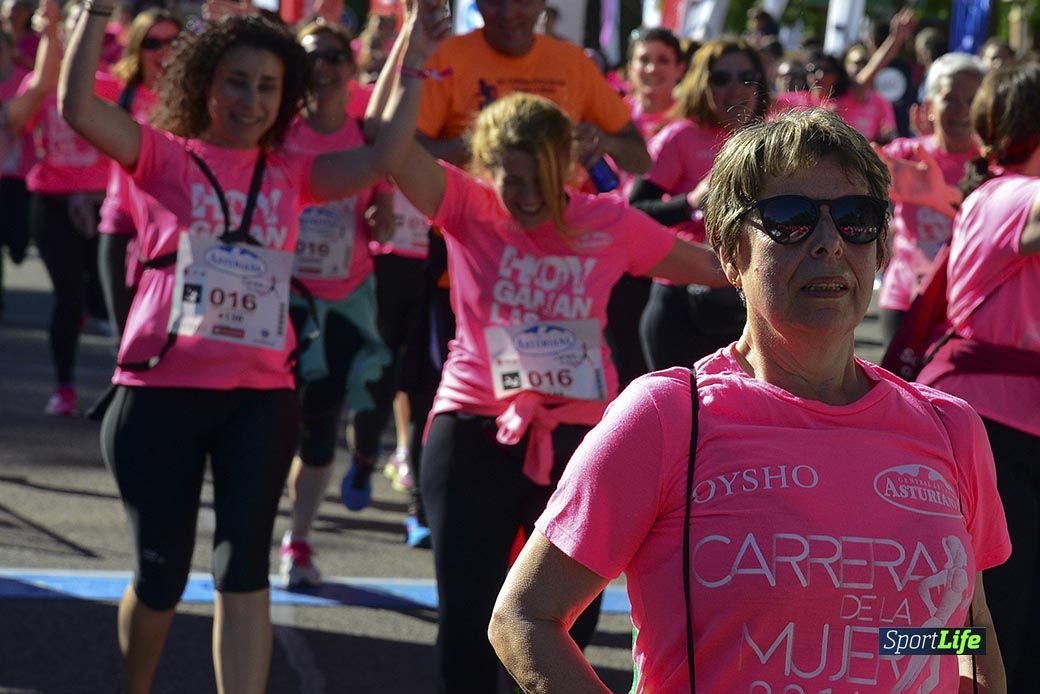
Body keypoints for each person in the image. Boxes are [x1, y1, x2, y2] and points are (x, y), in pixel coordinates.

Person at [489, 108, 1010, 693]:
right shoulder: (667, 417)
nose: (829, 244)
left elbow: (964, 633)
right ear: (731, 252)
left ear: (881, 246)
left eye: (855, 218)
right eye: (790, 220)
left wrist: (885, 643)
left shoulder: (949, 426)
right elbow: (524, 618)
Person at [59, 2, 448, 692]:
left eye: (268, 87)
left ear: (286, 95)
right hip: (159, 394)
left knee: (243, 572)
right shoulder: (165, 155)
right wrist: (95, 10)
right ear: (205, 82)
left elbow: (384, 155)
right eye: (236, 82)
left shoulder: (292, 171)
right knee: (160, 576)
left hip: (259, 400)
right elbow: (78, 108)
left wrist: (414, 56)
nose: (251, 100)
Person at [378, 66, 725, 688]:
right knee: (468, 625)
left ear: (566, 165)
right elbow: (388, 144)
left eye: (540, 180)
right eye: (511, 181)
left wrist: (793, 231)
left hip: (578, 443)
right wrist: (412, 54)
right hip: (473, 429)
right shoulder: (468, 205)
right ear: (487, 169)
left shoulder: (608, 222)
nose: (527, 197)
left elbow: (711, 267)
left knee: (564, 631)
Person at [916, 62, 1040, 692]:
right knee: (989, 615)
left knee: (1012, 614)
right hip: (990, 426)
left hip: (1010, 426)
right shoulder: (1010, 194)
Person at [277, 19, 391, 587]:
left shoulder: (366, 137)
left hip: (343, 301)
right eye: (309, 57)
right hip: (277, 299)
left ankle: (298, 540)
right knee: (272, 423)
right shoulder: (278, 131)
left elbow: (384, 216)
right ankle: (260, 522)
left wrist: (380, 217)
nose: (320, 67)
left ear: (350, 67)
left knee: (320, 424)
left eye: (331, 57)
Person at [630, 39, 768, 371]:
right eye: (721, 79)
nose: (735, 89)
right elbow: (635, 212)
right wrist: (690, 202)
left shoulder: (772, 139)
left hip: (748, 301)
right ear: (702, 84)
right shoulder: (681, 136)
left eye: (746, 78)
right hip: (680, 305)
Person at [876, 53, 982, 346]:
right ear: (929, 107)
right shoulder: (907, 155)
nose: (962, 111)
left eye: (972, 101)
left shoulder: (992, 164)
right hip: (905, 294)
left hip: (966, 297)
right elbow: (856, 171)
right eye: (950, 100)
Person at [97, 7, 182, 340]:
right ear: (136, 47)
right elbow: (68, 91)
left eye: (174, 42)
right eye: (152, 43)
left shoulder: (194, 100)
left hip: (173, 229)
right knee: (125, 339)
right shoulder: (116, 90)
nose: (164, 51)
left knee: (170, 341)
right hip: (122, 224)